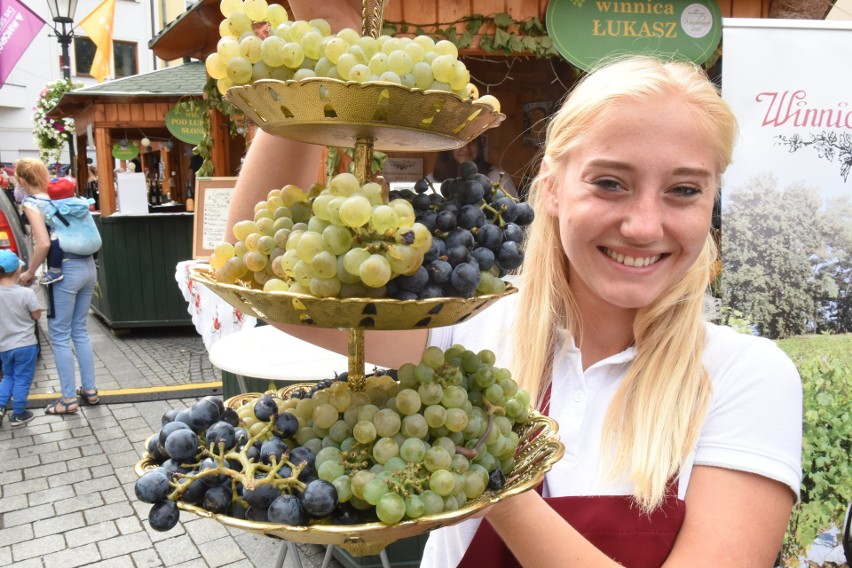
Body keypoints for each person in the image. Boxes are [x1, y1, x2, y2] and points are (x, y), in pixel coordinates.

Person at [225, 5, 802, 566]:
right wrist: (314, 78)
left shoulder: (745, 377)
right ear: (551, 188)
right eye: (609, 182)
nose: (645, 225)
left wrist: (483, 465)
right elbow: (277, 285)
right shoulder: (468, 323)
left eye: (684, 190)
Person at [14, 158, 99, 415]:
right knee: (80, 330)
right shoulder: (64, 199)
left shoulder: (33, 203)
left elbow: (43, 243)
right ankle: (90, 390)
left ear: (21, 180)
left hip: (64, 271)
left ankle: (67, 399)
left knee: (60, 335)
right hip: (88, 267)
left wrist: (29, 272)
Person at [0, 249, 41, 427]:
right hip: (26, 345)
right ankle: (18, 413)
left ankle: (0, 406)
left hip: (4, 346)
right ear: (18, 270)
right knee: (22, 378)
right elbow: (37, 315)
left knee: (8, 376)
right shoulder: (26, 294)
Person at [427, 136, 518, 198]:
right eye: (460, 142)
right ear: (448, 147)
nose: (466, 148)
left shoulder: (498, 178)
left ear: (479, 145)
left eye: (472, 140)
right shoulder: (431, 181)